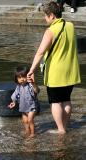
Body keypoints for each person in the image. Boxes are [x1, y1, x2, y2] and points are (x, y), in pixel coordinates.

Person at [27, 1, 81, 134]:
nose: (45, 19)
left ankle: (61, 129)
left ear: (51, 15)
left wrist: (31, 70)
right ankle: (65, 126)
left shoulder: (50, 30)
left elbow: (40, 52)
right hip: (71, 71)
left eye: (45, 16)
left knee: (56, 102)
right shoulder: (70, 26)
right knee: (66, 100)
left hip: (56, 73)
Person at [8, 66, 40, 138]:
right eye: (19, 77)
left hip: (32, 106)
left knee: (30, 120)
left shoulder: (30, 85)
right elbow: (16, 95)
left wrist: (33, 83)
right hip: (23, 107)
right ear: (16, 79)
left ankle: (32, 133)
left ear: (28, 76)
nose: (22, 79)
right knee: (25, 121)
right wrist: (14, 102)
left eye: (24, 76)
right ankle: (27, 131)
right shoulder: (18, 86)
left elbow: (37, 90)